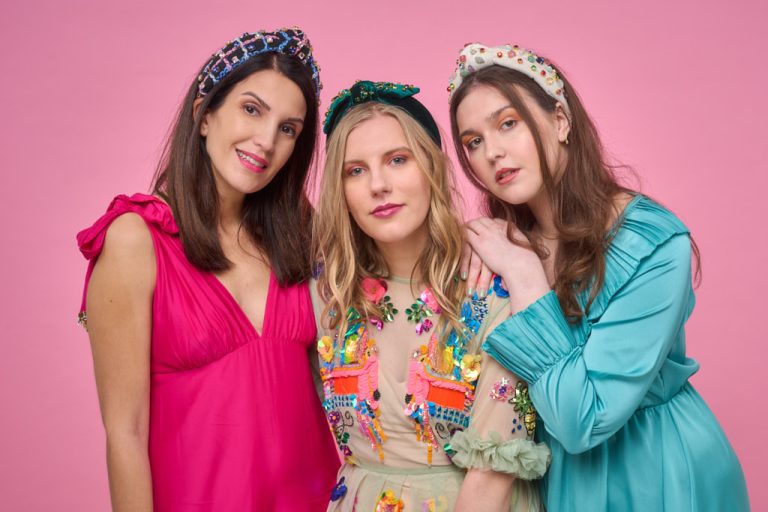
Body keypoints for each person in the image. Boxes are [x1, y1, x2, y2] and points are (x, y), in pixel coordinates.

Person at [447, 43, 750, 511]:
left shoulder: (652, 243)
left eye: (508, 123)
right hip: (552, 478)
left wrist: (528, 277)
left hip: (658, 473)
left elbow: (582, 419)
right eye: (473, 142)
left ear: (561, 121)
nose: (492, 152)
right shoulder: (498, 246)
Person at [76, 28, 339, 511]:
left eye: (288, 128)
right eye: (252, 109)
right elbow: (125, 433)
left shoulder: (302, 233)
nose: (266, 141)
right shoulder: (137, 239)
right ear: (204, 113)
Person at [312, 80, 550, 512]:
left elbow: (492, 479)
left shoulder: (492, 283)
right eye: (355, 170)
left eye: (397, 160)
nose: (378, 185)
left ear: (433, 168)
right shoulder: (324, 292)